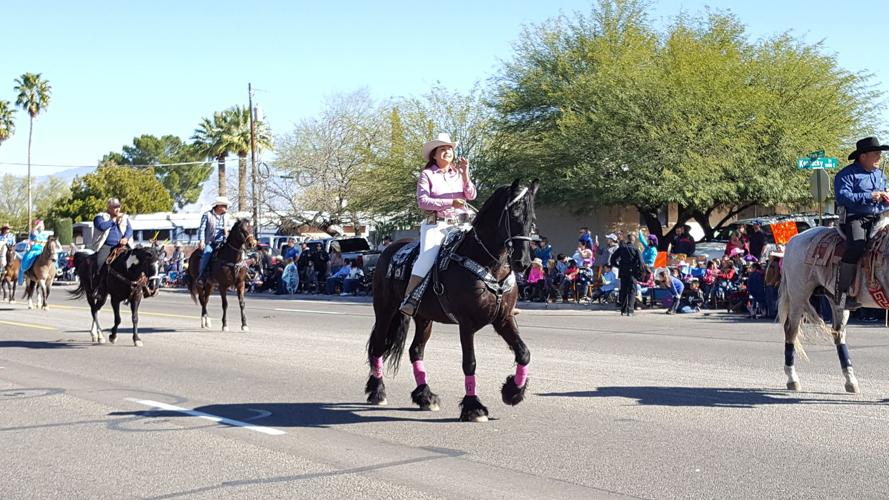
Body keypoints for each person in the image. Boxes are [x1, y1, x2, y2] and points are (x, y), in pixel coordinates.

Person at [400, 133, 476, 316]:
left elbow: (471, 195)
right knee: (427, 257)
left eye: (449, 149)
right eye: (442, 149)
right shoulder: (427, 174)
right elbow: (422, 201)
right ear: (434, 154)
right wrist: (449, 203)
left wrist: (465, 174)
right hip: (437, 225)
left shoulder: (458, 173)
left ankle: (501, 295)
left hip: (461, 223)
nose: (447, 152)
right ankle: (411, 298)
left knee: (483, 246)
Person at [834, 137, 889, 309]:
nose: (880, 157)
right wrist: (869, 196)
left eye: (880, 153)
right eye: (876, 154)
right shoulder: (846, 175)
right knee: (856, 246)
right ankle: (842, 295)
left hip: (878, 217)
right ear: (863, 156)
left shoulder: (880, 175)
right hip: (855, 218)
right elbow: (843, 197)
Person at [195, 196, 230, 286]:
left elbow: (230, 228)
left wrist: (227, 231)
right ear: (218, 206)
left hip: (223, 242)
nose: (226, 207)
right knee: (206, 255)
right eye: (224, 205)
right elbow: (202, 229)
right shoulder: (207, 215)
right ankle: (201, 276)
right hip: (210, 242)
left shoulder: (227, 216)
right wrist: (201, 241)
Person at [611, 233, 644, 316]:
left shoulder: (622, 248)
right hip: (632, 272)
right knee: (632, 291)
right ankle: (630, 309)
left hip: (623, 272)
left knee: (624, 290)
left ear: (627, 240)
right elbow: (641, 262)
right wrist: (639, 273)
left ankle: (623, 309)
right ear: (634, 240)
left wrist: (618, 265)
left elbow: (613, 258)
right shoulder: (636, 249)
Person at [18, 219, 50, 285]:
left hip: (43, 250)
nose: (43, 226)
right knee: (27, 257)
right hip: (35, 250)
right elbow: (33, 231)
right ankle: (26, 271)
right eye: (42, 225)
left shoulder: (45, 234)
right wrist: (38, 225)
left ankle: (55, 271)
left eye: (43, 225)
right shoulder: (34, 232)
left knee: (52, 257)